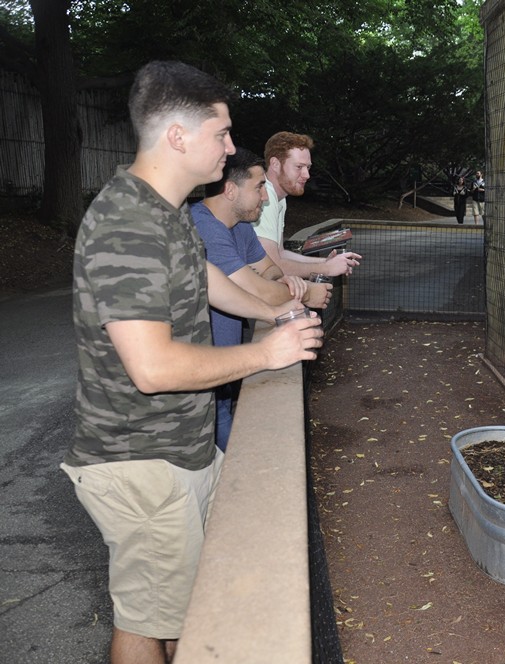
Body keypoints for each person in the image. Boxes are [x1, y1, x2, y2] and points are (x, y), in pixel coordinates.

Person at [61, 60, 323, 664]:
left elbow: (205, 279)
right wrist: (263, 354)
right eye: (221, 134)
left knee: (186, 609)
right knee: (147, 621)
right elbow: (151, 368)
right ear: (177, 136)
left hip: (181, 448)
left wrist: (275, 312)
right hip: (139, 463)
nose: (231, 147)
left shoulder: (167, 208)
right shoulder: (126, 224)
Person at [192, 147, 333, 451]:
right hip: (202, 383)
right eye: (258, 187)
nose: (266, 197)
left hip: (224, 375)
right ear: (230, 190)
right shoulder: (204, 228)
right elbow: (255, 290)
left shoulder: (240, 226)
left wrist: (283, 280)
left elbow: (267, 271)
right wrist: (306, 292)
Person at [252, 131, 362, 278]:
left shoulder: (279, 198)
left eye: (308, 167)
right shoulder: (265, 198)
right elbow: (273, 265)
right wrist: (326, 268)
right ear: (275, 164)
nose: (307, 175)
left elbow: (281, 253)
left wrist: (326, 262)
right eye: (299, 167)